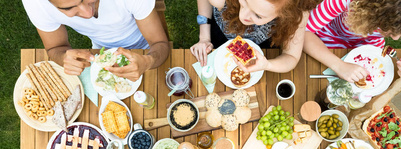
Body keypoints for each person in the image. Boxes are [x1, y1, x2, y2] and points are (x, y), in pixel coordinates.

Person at [303, 0, 401, 82]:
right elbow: (304, 32)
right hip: (326, 36)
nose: (395, 38)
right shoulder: (346, 1)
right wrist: (338, 65)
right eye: (388, 29)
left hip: (369, 44)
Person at [22, 0, 169, 81]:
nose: (87, 13)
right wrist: (63, 57)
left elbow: (160, 44)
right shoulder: (36, 4)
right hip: (99, 49)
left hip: (145, 47)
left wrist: (148, 61)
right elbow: (55, 48)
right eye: (69, 8)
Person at [191, 0, 320, 73]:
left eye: (258, 15)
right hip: (220, 32)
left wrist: (267, 65)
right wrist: (204, 37)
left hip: (262, 46)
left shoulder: (295, 15)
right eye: (245, 2)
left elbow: (291, 57)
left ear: (285, 15)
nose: (244, 15)